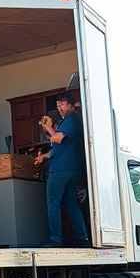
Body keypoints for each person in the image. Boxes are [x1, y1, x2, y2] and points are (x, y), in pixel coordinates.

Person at [34, 92, 89, 246]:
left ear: (71, 105)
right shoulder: (68, 121)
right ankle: (82, 237)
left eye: (62, 104)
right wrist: (44, 156)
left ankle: (55, 239)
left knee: (53, 203)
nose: (60, 108)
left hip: (61, 170)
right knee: (71, 203)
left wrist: (49, 128)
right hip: (70, 170)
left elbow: (58, 138)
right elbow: (59, 147)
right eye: (58, 105)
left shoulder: (72, 119)